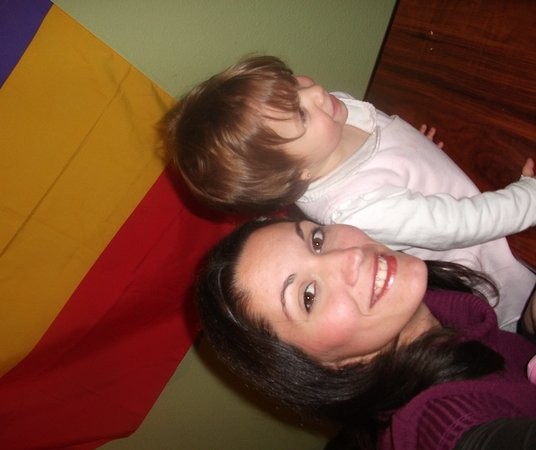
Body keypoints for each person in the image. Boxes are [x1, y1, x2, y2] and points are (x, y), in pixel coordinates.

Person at [162, 55, 536, 332]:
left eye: (293, 85)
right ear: (299, 174)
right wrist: (529, 195)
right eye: (301, 114)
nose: (315, 93)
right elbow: (470, 222)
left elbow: (381, 140)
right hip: (502, 263)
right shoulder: (360, 209)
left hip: (473, 193)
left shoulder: (333, 116)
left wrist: (416, 153)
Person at [197, 216, 536, 449]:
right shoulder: (446, 424)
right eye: (308, 296)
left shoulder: (424, 314)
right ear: (319, 369)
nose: (350, 257)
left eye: (316, 240)